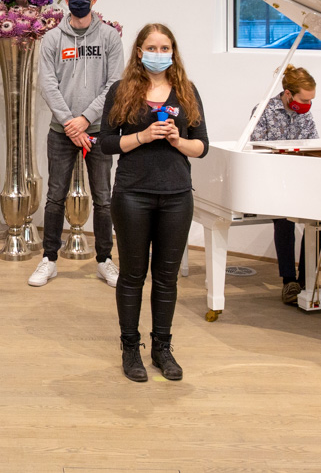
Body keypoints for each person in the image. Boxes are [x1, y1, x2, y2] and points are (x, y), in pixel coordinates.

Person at [98, 23, 208, 382]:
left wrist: (178, 141)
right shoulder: (121, 90)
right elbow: (106, 143)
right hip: (132, 194)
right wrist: (143, 136)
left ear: (173, 52)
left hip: (177, 195)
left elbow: (202, 146)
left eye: (164, 48)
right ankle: (130, 348)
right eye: (151, 47)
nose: (158, 54)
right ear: (139, 51)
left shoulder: (187, 91)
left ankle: (162, 347)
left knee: (166, 277)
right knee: (132, 275)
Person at [29, 0, 124, 288]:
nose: (79, 0)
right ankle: (49, 260)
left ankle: (104, 260)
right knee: (55, 196)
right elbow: (48, 85)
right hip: (61, 132)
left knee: (104, 199)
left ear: (94, 0)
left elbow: (114, 84)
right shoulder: (52, 39)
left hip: (99, 132)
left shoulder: (109, 37)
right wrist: (71, 123)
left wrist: (85, 119)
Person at [250, 65, 318, 305]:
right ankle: (289, 281)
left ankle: (307, 279)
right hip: (272, 181)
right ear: (288, 94)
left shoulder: (305, 114)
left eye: (311, 100)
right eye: (304, 100)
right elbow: (257, 149)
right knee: (284, 219)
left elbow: (314, 145)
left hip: (299, 181)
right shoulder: (263, 111)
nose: (308, 105)